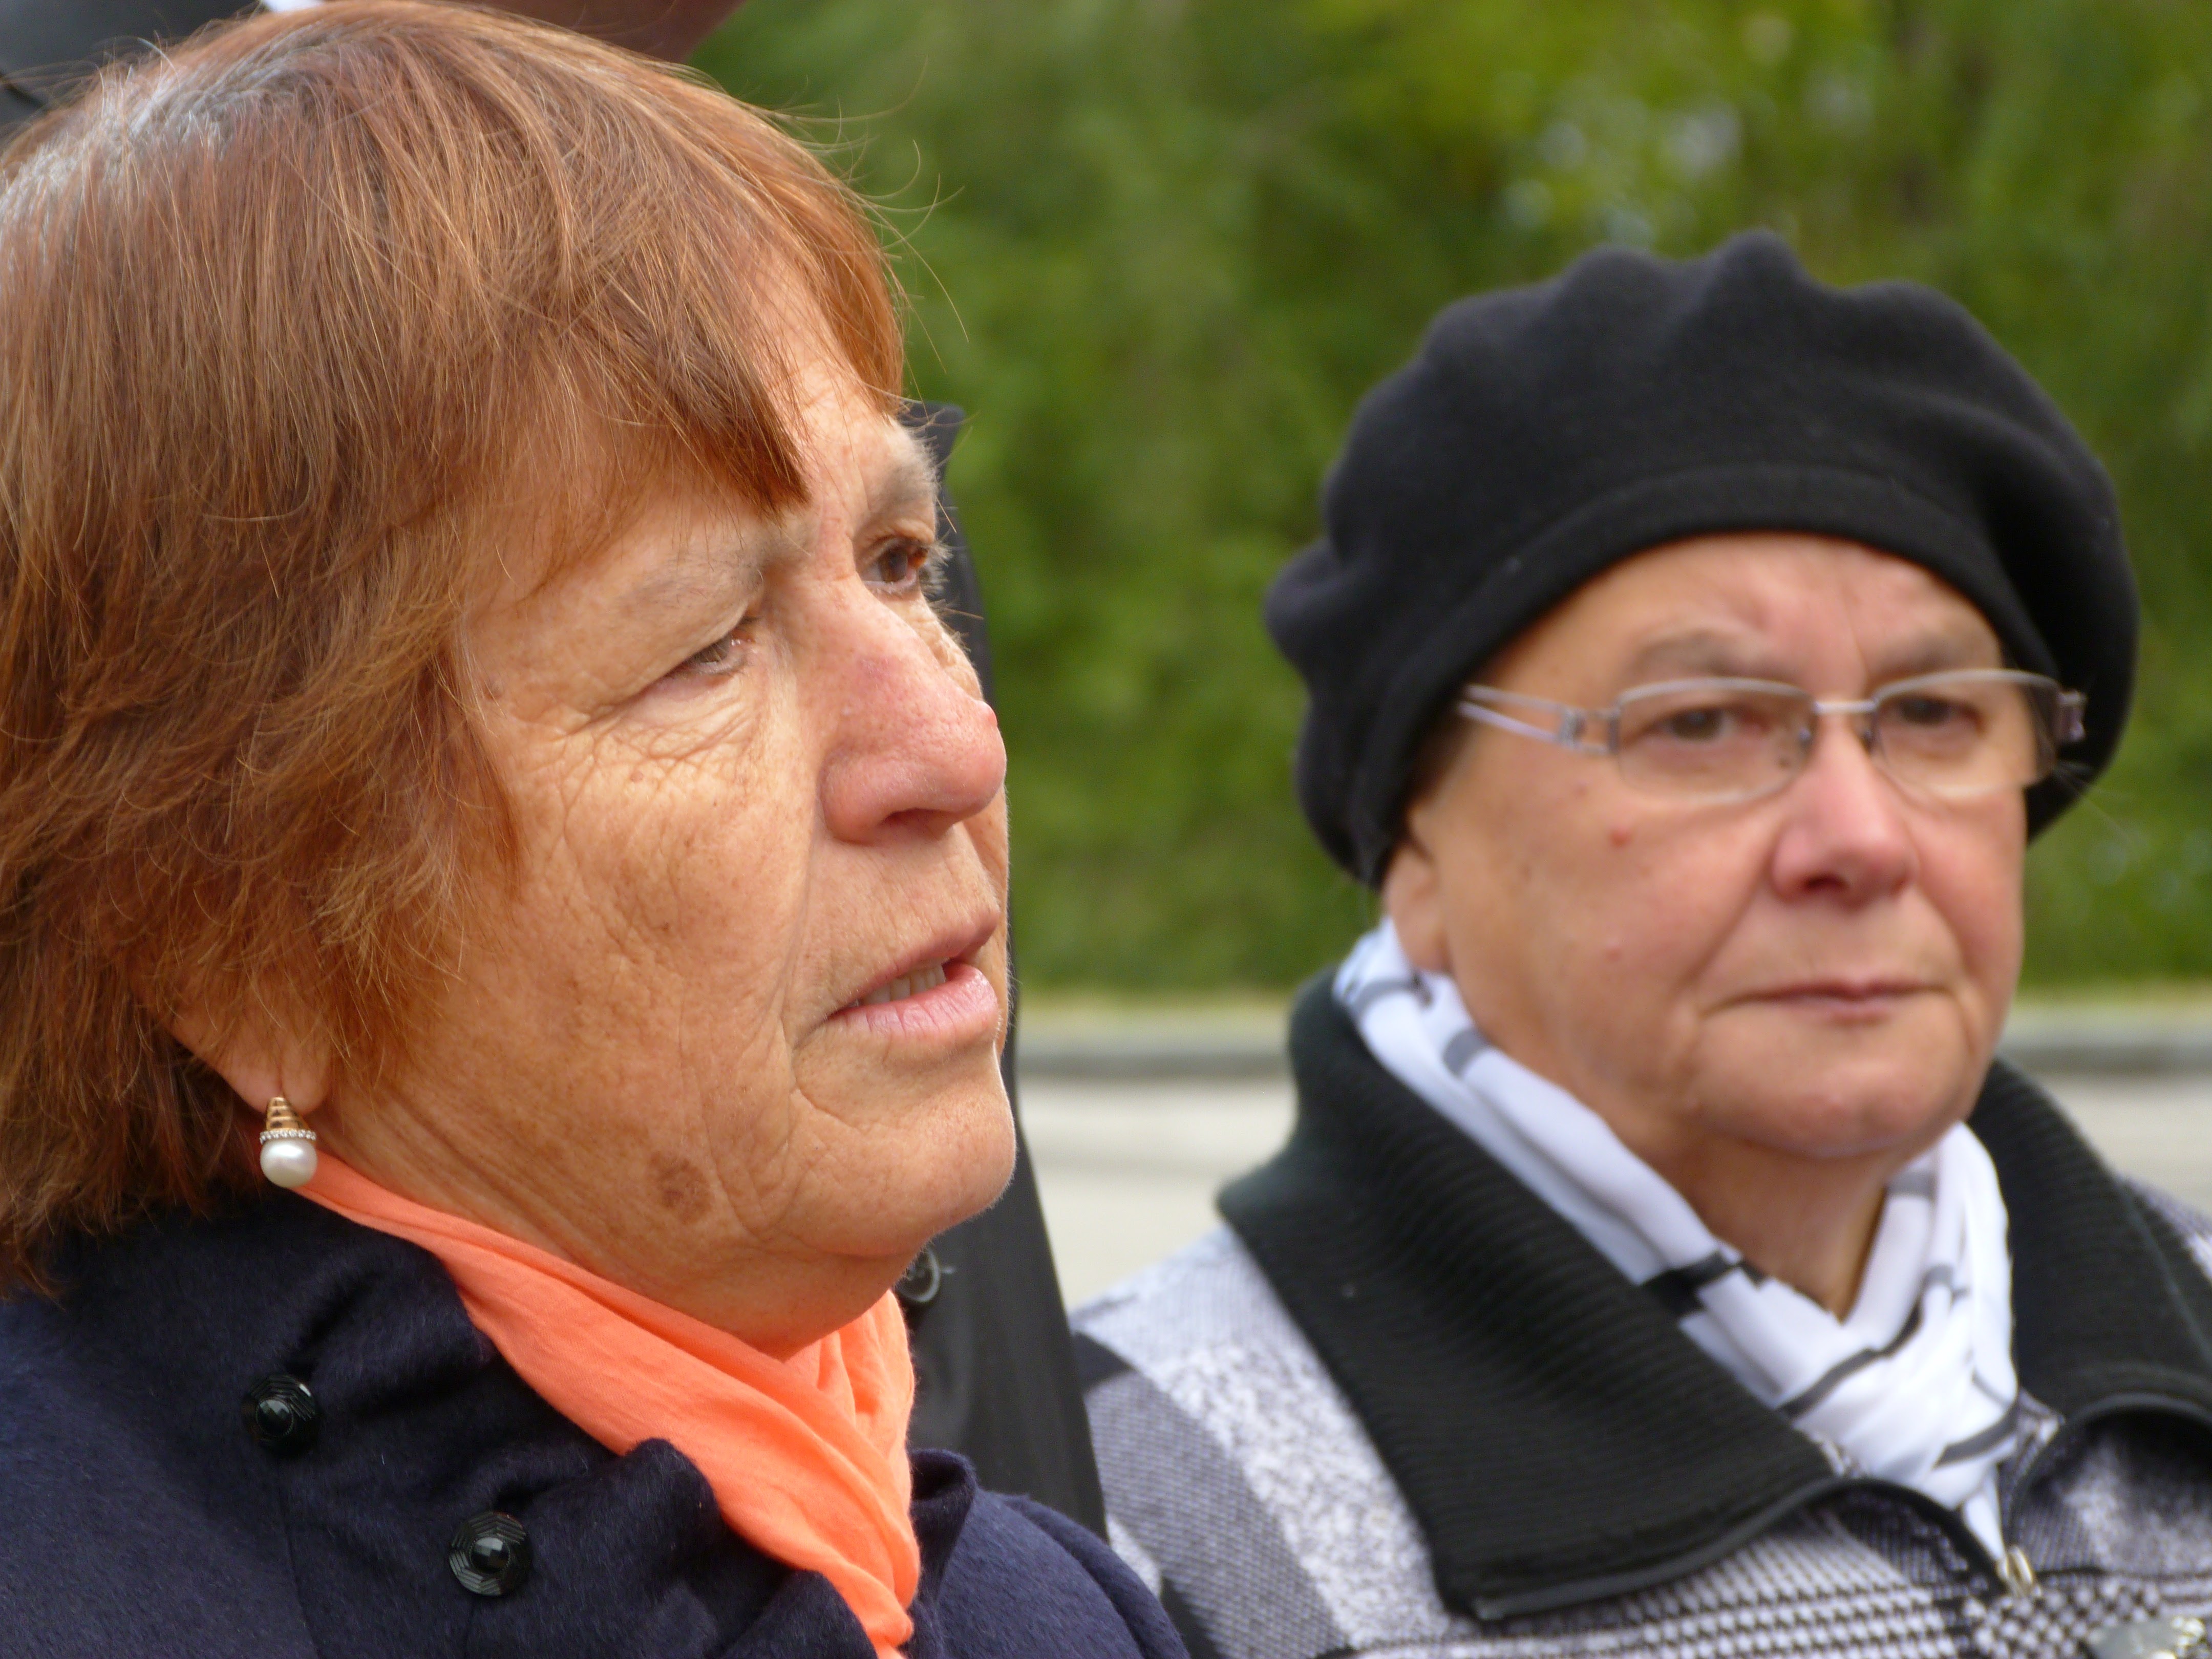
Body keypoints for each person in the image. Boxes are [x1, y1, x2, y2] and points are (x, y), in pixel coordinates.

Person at [0, 6, 1174, 1653]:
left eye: (900, 562)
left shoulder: (1045, 1610)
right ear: (235, 948)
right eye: (705, 648)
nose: (953, 750)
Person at [1075, 234, 2212, 1659]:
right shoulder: (1121, 1522)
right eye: (1702, 724)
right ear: (1415, 842)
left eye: (1934, 715)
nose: (1862, 838)